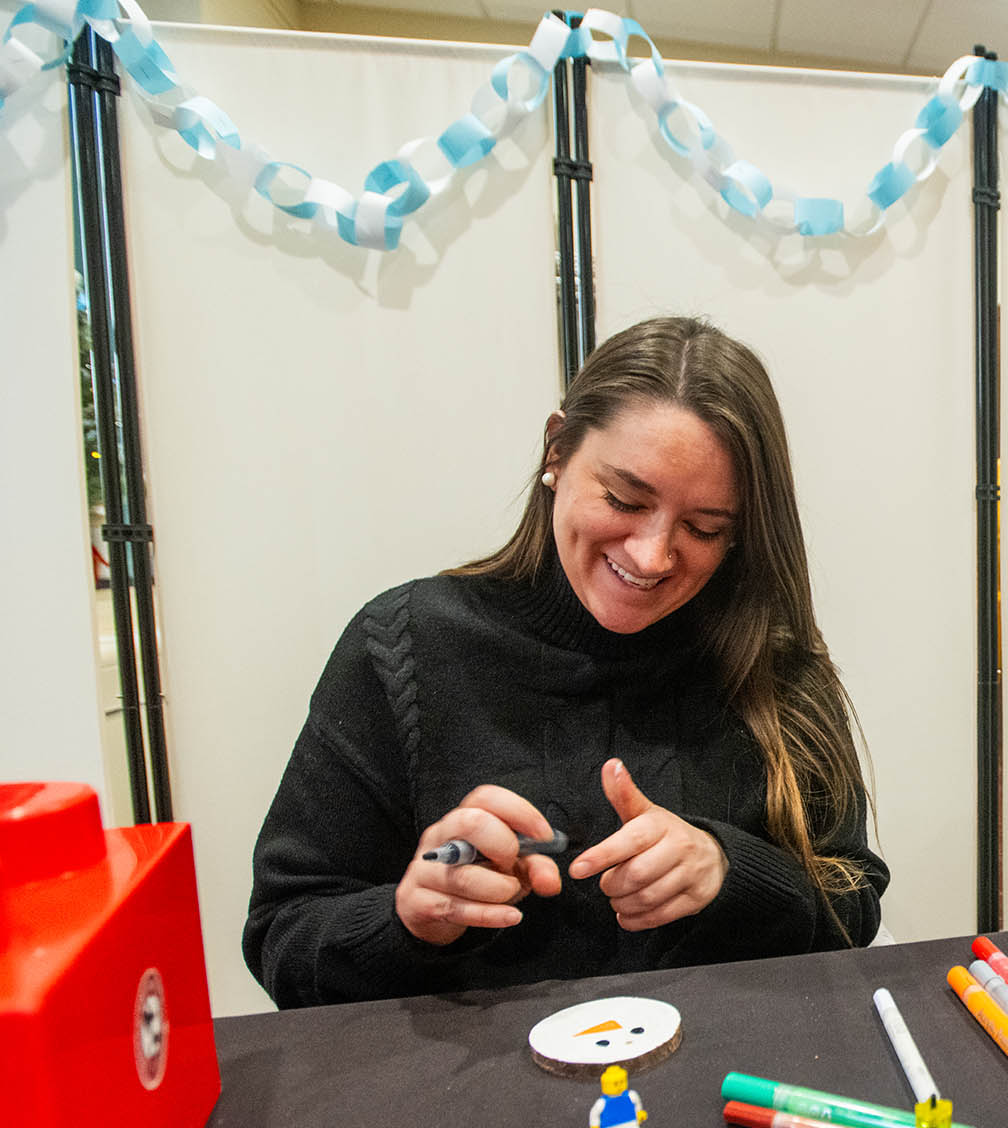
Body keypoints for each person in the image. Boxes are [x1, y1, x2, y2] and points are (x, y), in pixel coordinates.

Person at [245, 317, 886, 1007]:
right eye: (624, 500)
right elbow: (283, 939)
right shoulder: (404, 647)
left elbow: (854, 912)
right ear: (557, 449)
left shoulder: (773, 664)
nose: (651, 555)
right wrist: (409, 919)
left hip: (722, 1090)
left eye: (704, 529)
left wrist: (731, 873)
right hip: (472, 1104)